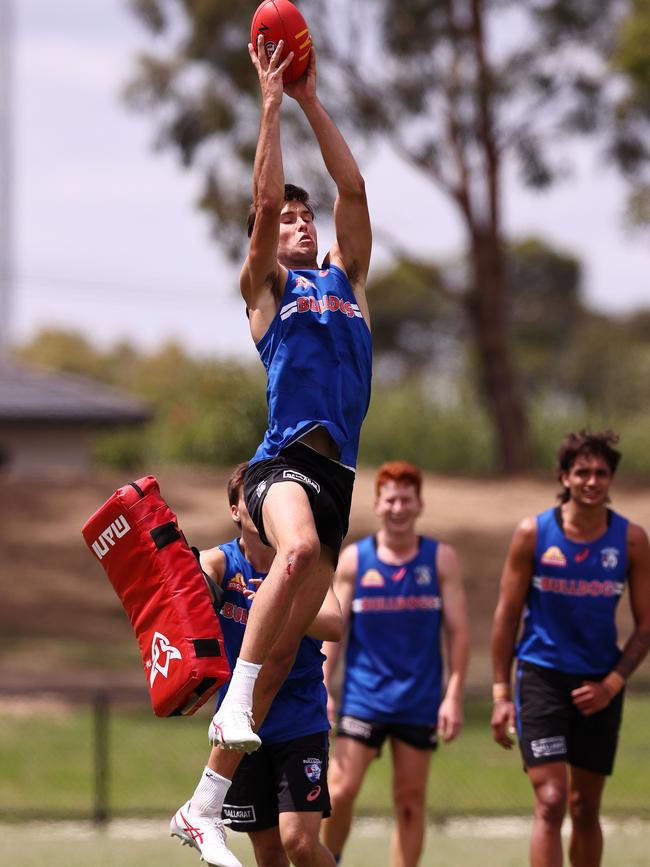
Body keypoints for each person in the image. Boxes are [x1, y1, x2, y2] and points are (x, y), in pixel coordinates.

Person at [210, 34, 372, 754]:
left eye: (306, 217)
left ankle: (203, 804)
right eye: (285, 220)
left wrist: (311, 99)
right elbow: (265, 194)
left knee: (285, 655)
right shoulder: (265, 290)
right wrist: (272, 106)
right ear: (264, 243)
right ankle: (232, 699)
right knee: (297, 549)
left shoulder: (348, 281)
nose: (299, 220)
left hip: (337, 476)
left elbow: (355, 192)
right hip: (284, 462)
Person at [491, 430, 650, 867]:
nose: (592, 481)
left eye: (601, 473)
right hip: (540, 678)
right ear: (565, 476)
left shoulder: (632, 540)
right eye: (582, 472)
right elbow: (506, 619)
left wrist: (612, 684)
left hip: (601, 684)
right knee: (551, 800)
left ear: (611, 479)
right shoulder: (533, 534)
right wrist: (501, 695)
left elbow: (646, 625)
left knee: (584, 807)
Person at [171, 463, 342, 867]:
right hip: (242, 725)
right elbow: (193, 580)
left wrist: (278, 600)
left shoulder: (302, 564)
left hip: (301, 719)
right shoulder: (223, 562)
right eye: (255, 496)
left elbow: (335, 623)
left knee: (299, 842)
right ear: (236, 511)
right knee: (268, 850)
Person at [321, 461, 470, 867]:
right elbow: (335, 630)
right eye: (391, 499)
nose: (399, 507)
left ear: (419, 504)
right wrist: (324, 689)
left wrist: (453, 696)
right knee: (340, 790)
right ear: (378, 504)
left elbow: (458, 633)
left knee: (409, 801)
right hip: (363, 698)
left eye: (407, 499)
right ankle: (329, 858)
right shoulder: (355, 560)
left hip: (418, 701)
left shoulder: (441, 560)